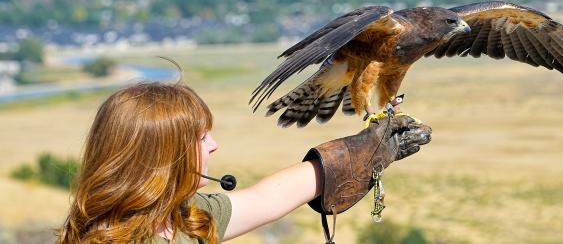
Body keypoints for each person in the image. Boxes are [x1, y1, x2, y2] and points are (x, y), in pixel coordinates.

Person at [57, 81, 432, 243]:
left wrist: (360, 153)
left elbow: (265, 200)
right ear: (162, 156)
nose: (215, 146)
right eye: (202, 138)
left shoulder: (185, 216)